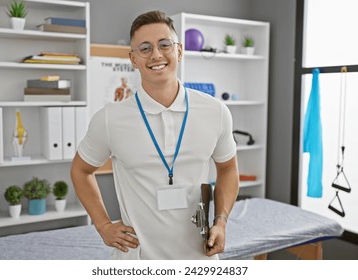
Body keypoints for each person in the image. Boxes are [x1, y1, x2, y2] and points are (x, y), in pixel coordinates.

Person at [71, 10, 239, 260]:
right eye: (145, 48)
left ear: (179, 51)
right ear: (133, 59)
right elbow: (80, 170)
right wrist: (103, 225)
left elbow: (228, 169)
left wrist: (221, 221)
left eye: (165, 45)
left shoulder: (216, 111)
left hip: (199, 258)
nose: (156, 55)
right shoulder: (109, 118)